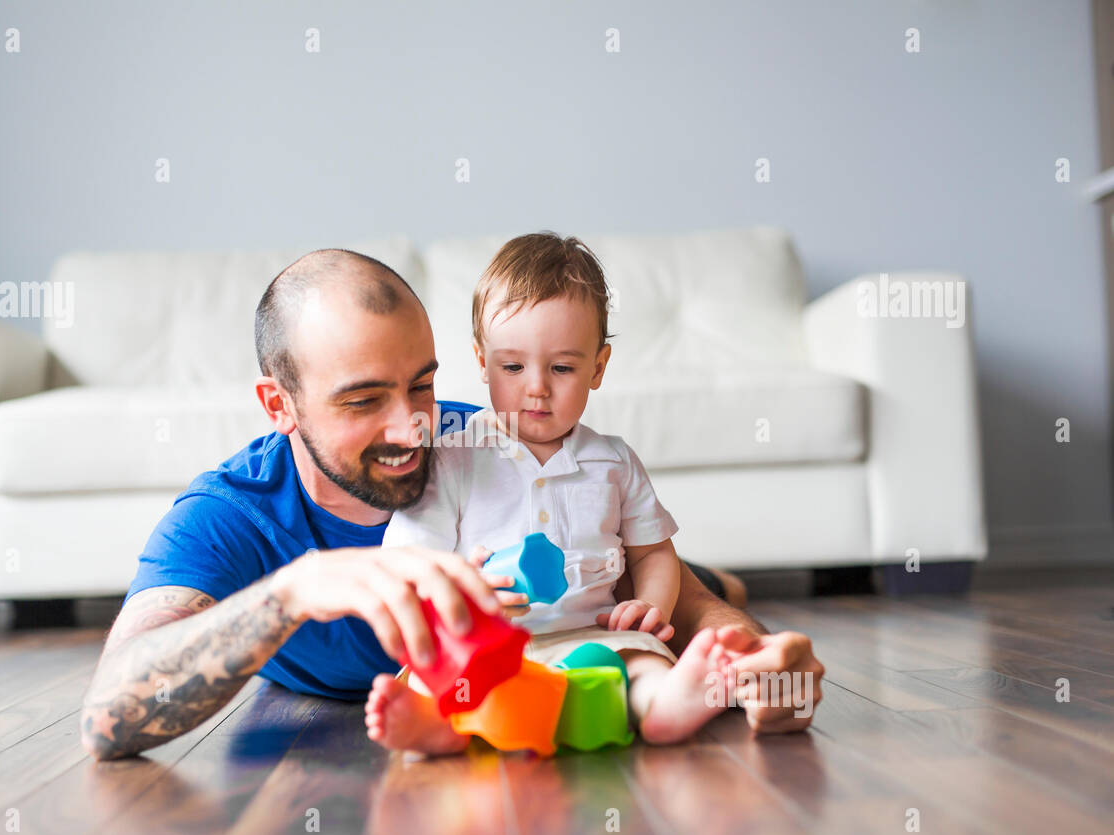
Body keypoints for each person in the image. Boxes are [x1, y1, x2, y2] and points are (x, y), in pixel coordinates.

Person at [79, 249, 824, 760]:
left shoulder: (487, 439)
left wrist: (759, 667)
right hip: (467, 685)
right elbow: (107, 717)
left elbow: (673, 603)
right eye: (365, 399)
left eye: (422, 384)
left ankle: (729, 578)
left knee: (696, 586)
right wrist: (292, 591)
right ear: (280, 404)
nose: (413, 426)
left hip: (571, 595)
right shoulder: (228, 517)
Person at [366, 233, 760, 754]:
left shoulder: (614, 461)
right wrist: (464, 596)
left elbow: (653, 552)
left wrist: (650, 605)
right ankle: (435, 727)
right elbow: (410, 566)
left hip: (592, 636)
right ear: (482, 362)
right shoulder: (454, 458)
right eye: (513, 367)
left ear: (598, 367)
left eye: (562, 368)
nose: (537, 387)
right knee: (435, 670)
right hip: (493, 641)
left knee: (642, 658)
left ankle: (664, 705)